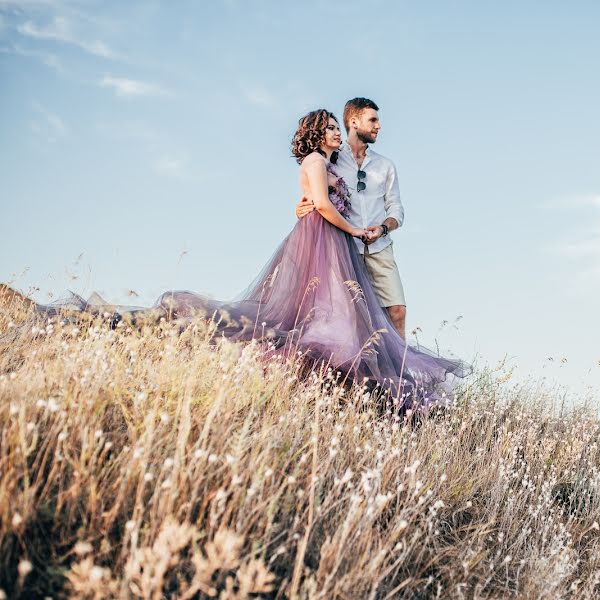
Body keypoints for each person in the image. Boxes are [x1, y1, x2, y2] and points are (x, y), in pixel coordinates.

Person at [25, 109, 467, 411]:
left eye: (337, 127)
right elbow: (319, 203)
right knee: (308, 307)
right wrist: (349, 228)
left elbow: (315, 200)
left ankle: (350, 377)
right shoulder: (316, 159)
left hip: (335, 237)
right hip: (325, 236)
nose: (335, 133)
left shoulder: (336, 162)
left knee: (339, 308)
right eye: (330, 127)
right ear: (317, 133)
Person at [295, 98, 407, 338]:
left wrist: (383, 229)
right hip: (344, 247)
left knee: (396, 310)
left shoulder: (386, 165)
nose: (378, 126)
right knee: (353, 318)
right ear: (354, 122)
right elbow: (315, 191)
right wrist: (303, 206)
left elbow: (396, 209)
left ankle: (398, 374)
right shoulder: (332, 157)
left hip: (380, 247)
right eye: (373, 120)